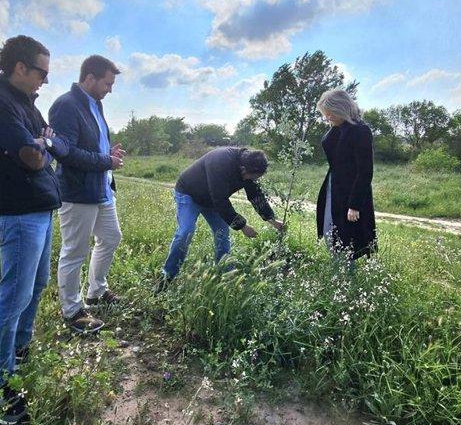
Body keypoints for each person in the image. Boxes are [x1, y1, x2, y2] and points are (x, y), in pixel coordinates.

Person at [0, 35, 69, 425]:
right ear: (20, 68)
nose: (45, 79)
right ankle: (0, 385)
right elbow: (32, 158)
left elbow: (50, 142)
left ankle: (18, 352)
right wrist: (42, 144)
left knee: (38, 283)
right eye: (42, 71)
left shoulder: (27, 104)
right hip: (17, 212)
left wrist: (42, 142)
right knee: (13, 296)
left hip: (42, 208)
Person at [49, 55, 124, 334]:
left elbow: (90, 147)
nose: (110, 89)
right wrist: (106, 161)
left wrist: (108, 156)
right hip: (78, 191)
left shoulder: (96, 105)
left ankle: (96, 291)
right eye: (107, 83)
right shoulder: (66, 105)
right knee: (75, 251)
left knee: (111, 237)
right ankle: (72, 311)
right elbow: (65, 151)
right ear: (89, 78)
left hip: (101, 188)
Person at [158, 147, 285, 290]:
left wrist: (272, 220)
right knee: (185, 232)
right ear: (243, 169)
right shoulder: (221, 161)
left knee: (222, 235)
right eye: (253, 177)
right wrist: (243, 226)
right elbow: (220, 200)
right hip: (189, 193)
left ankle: (225, 277)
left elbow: (255, 195)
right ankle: (166, 277)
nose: (253, 180)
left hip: (212, 200)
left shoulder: (250, 167)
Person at [315, 89, 377, 260]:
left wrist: (355, 204)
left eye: (330, 113)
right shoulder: (337, 128)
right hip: (333, 186)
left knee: (347, 235)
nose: (327, 117)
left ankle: (346, 276)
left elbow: (365, 171)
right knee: (329, 228)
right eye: (325, 114)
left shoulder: (360, 131)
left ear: (341, 108)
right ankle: (339, 271)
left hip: (351, 190)